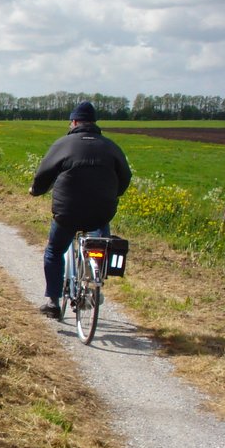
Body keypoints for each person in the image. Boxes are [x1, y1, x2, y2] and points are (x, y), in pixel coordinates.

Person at [29, 101, 132, 318]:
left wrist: (36, 190)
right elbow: (125, 177)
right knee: (100, 242)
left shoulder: (63, 144)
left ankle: (53, 302)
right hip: (100, 212)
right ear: (94, 123)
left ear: (74, 122)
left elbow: (43, 174)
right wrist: (115, 193)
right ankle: (95, 280)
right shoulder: (110, 146)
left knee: (54, 251)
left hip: (68, 213)